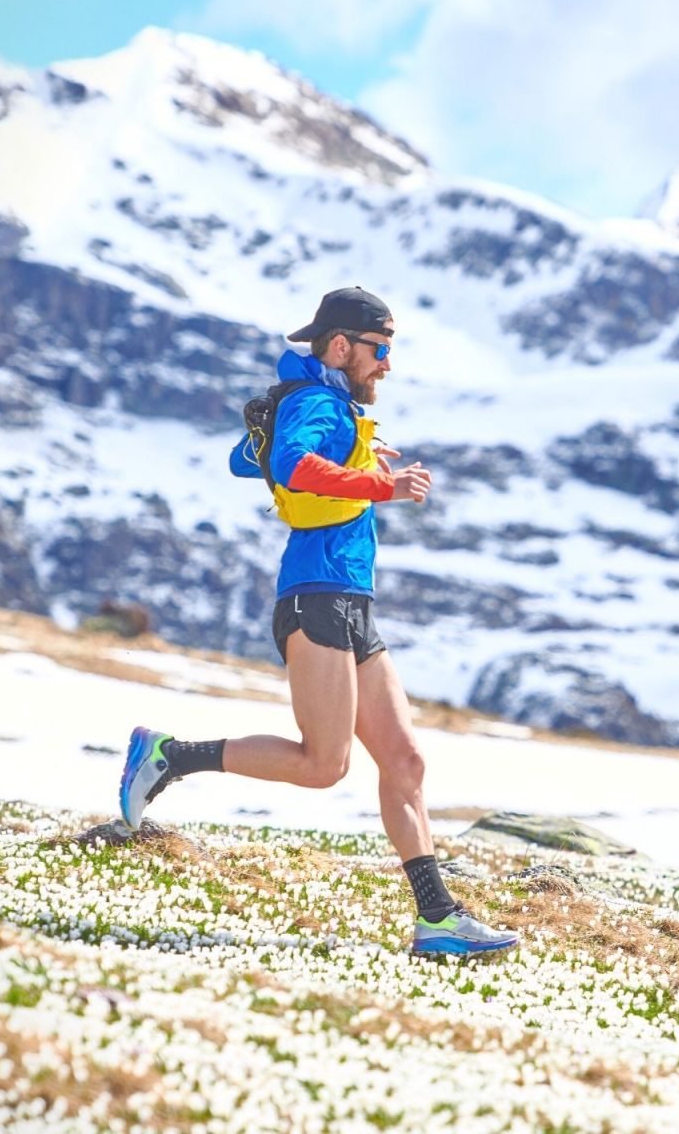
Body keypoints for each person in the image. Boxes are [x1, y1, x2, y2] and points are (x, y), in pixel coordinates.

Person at [115, 286, 518, 959]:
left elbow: (246, 460)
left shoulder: (330, 407)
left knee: (405, 760)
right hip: (316, 598)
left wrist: (360, 464)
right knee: (322, 764)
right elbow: (289, 465)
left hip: (351, 602)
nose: (386, 364)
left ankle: (438, 917)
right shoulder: (316, 402)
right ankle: (168, 757)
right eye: (379, 350)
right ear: (341, 347)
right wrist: (378, 486)